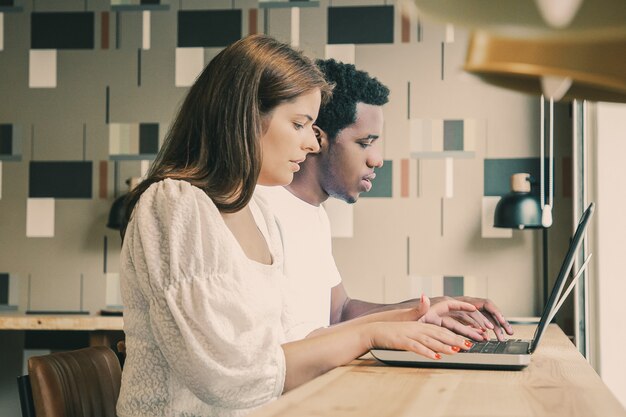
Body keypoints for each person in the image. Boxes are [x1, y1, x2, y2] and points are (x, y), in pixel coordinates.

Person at [117, 35, 475, 417]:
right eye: (300, 124)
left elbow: (288, 345)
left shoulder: (258, 215)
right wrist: (368, 333)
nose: (312, 144)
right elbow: (228, 378)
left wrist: (403, 320)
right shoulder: (175, 204)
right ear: (247, 116)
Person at [257, 59, 515, 344]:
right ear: (319, 138)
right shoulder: (261, 208)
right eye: (365, 143)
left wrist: (431, 308)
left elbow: (340, 312)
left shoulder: (313, 213)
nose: (377, 159)